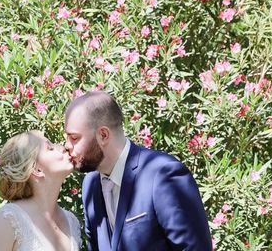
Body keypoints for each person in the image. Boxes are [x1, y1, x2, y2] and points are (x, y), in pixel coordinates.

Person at [64, 91, 212, 251]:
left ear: (103, 135)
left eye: (74, 138)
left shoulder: (163, 174)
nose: (66, 145)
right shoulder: (90, 185)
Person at [0, 130, 82, 251]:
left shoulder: (71, 222)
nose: (62, 147)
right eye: (50, 148)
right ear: (36, 169)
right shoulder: (7, 221)